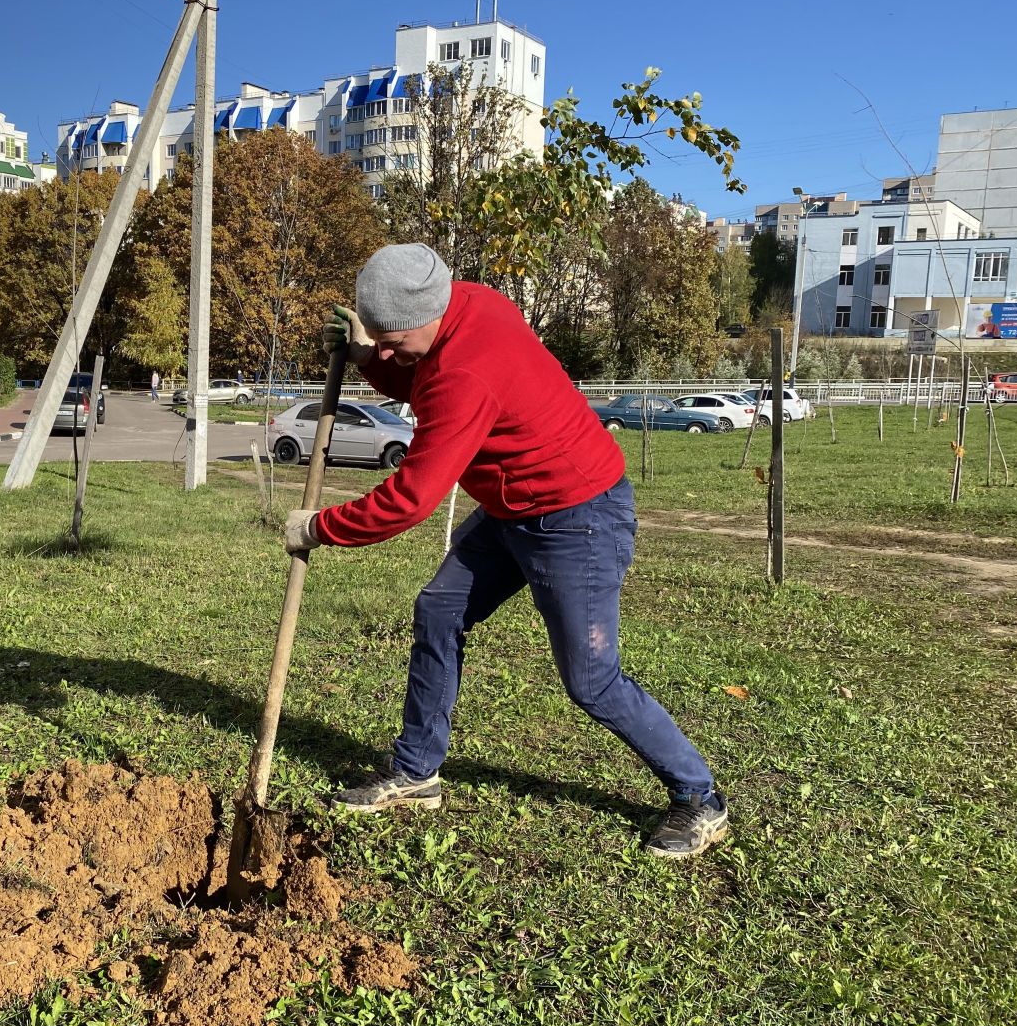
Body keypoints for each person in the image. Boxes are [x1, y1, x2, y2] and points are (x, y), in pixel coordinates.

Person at [284, 243, 729, 858]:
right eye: (376, 338)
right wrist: (368, 355)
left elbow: (411, 498)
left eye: (392, 340)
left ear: (430, 315)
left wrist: (319, 527)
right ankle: (416, 773)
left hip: (579, 517)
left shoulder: (464, 373)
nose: (384, 352)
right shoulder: (469, 302)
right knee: (439, 611)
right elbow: (417, 374)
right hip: (511, 508)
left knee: (592, 681)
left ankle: (700, 799)